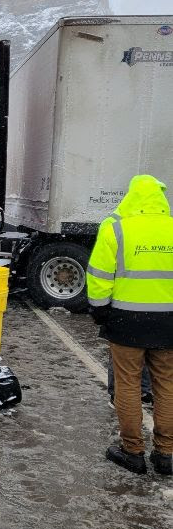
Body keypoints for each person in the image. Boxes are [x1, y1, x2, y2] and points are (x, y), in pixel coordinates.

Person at [87, 174, 173, 476]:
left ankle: (132, 450)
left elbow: (98, 276)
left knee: (128, 384)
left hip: (126, 321)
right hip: (169, 324)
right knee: (167, 385)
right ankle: (166, 453)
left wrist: (99, 310)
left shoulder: (116, 229)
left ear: (131, 197)